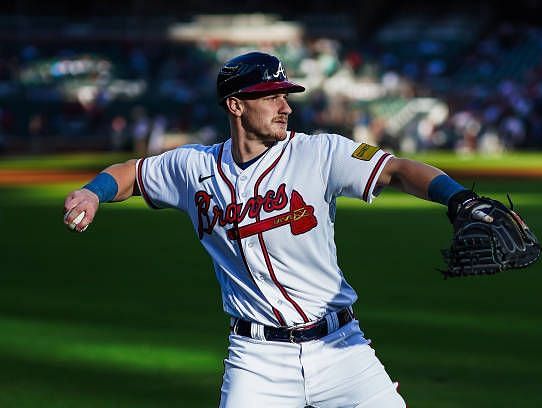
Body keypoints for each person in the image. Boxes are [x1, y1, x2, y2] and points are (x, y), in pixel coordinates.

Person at [64, 51, 475, 407]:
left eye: (285, 95)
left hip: (342, 348)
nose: (286, 106)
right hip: (256, 359)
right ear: (236, 105)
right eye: (272, 96)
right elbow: (132, 174)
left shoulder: (320, 152)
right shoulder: (194, 168)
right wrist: (93, 192)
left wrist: (460, 200)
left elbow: (398, 170)